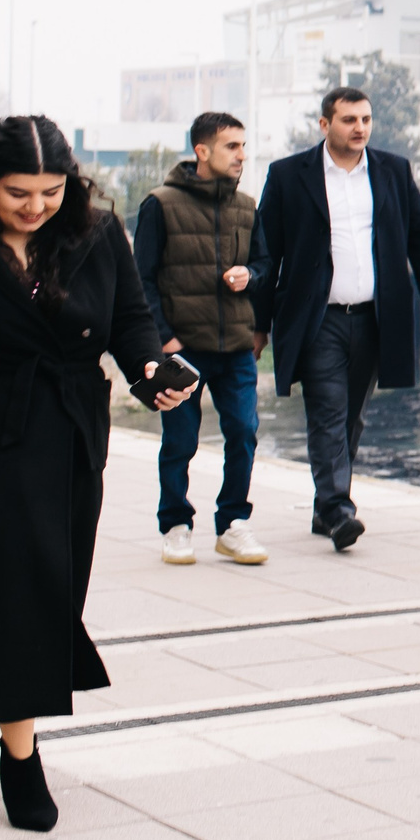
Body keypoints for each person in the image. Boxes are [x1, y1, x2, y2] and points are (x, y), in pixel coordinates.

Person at [0, 116, 188, 831]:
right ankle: (23, 760)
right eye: (18, 193)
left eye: (51, 191)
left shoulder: (96, 233)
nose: (36, 207)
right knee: (4, 591)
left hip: (68, 432)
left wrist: (152, 370)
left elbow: (131, 321)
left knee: (52, 588)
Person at [248, 86, 420, 551]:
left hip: (375, 318)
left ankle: (326, 506)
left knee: (351, 417)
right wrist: (259, 324)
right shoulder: (287, 175)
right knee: (327, 411)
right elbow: (267, 251)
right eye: (348, 120)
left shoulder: (392, 171)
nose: (359, 127)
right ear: (325, 125)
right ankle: (340, 508)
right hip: (317, 320)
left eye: (365, 119)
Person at [133, 111, 267, 566]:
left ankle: (232, 523)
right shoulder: (160, 203)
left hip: (235, 348)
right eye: (232, 146)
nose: (242, 156)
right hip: (182, 350)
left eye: (244, 147)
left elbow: (267, 268)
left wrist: (248, 274)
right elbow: (141, 280)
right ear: (202, 150)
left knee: (244, 433)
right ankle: (175, 524)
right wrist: (163, 339)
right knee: (180, 441)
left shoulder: (247, 207)